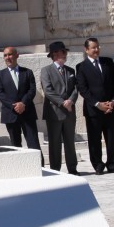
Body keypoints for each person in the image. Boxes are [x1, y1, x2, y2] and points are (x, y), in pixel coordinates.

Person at [75, 37, 114, 174]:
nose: (96, 50)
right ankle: (98, 165)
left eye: (98, 47)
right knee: (95, 139)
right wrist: (97, 104)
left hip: (109, 108)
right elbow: (83, 89)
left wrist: (113, 101)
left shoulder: (108, 63)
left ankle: (112, 164)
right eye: (93, 47)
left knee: (110, 138)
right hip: (93, 110)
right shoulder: (81, 67)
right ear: (86, 50)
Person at [40, 41, 79, 174]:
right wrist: (63, 103)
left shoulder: (70, 70)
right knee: (55, 143)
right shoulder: (46, 71)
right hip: (54, 112)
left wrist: (71, 101)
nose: (61, 54)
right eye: (57, 52)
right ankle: (55, 169)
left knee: (69, 142)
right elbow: (48, 90)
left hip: (69, 112)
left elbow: (75, 88)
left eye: (63, 52)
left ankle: (72, 168)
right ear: (53, 55)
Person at [0, 47, 41, 154]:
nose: (7, 57)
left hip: (27, 112)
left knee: (33, 143)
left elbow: (32, 90)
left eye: (10, 54)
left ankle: (39, 167)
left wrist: (23, 103)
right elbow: (0, 94)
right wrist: (14, 106)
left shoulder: (28, 72)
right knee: (15, 146)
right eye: (5, 55)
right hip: (10, 114)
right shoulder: (0, 75)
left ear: (17, 55)